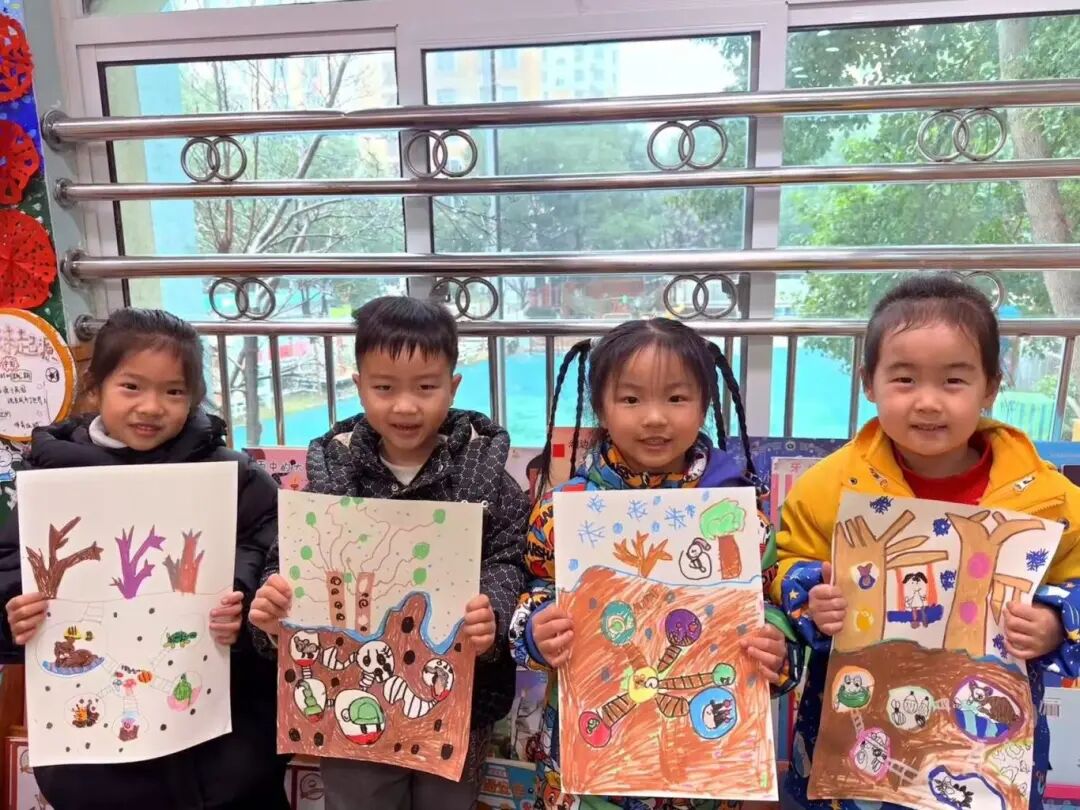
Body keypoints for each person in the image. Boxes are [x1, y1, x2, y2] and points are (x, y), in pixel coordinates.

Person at [775, 274, 1080, 810]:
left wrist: (1057, 621)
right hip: (856, 724)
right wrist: (810, 597)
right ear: (869, 383)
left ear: (991, 387)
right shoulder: (829, 487)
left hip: (984, 733)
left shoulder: (1046, 496)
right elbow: (788, 562)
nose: (928, 402)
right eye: (905, 379)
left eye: (954, 381)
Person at [248, 296, 529, 810]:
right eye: (384, 388)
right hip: (348, 693)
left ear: (453, 387)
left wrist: (493, 610)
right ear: (358, 386)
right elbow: (290, 565)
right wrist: (273, 614)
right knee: (359, 799)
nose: (405, 406)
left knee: (448, 801)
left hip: (454, 696)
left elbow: (508, 556)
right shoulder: (331, 476)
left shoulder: (483, 474)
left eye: (425, 387)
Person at [509, 318, 803, 809]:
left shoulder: (737, 516)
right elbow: (533, 590)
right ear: (601, 407)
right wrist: (536, 631)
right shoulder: (564, 510)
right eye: (630, 399)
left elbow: (770, 604)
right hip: (591, 764)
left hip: (702, 767)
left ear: (704, 405)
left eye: (676, 398)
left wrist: (777, 649)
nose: (654, 418)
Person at [0, 308, 287, 810]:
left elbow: (272, 549)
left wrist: (242, 603)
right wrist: (13, 616)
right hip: (94, 765)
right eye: (131, 387)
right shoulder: (48, 482)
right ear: (96, 388)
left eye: (174, 391)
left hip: (224, 753)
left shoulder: (232, 476)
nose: (151, 407)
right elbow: (10, 571)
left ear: (194, 397)